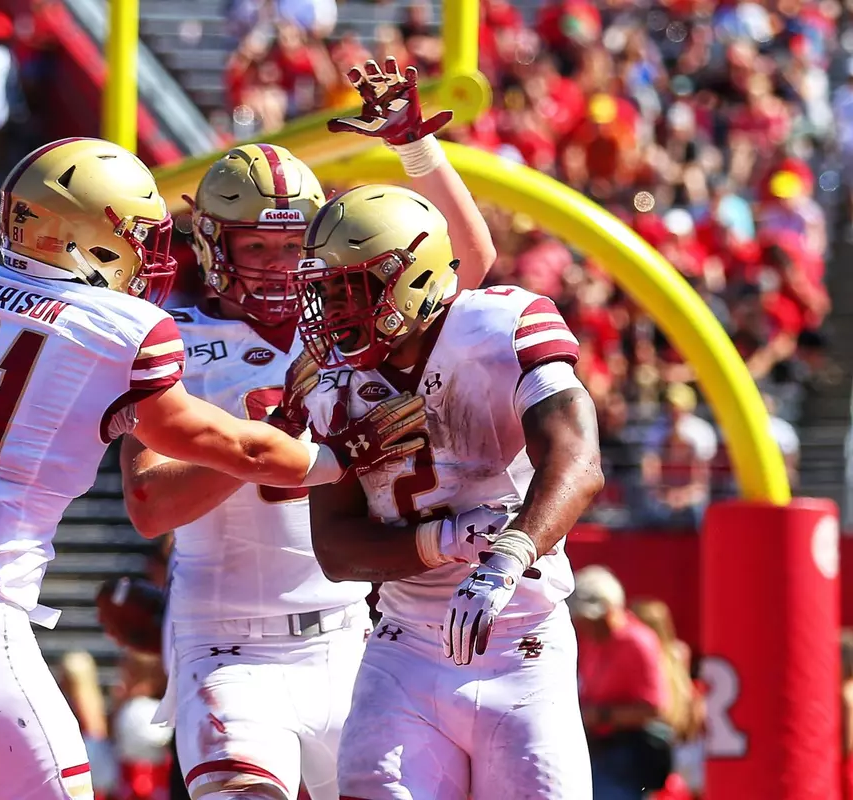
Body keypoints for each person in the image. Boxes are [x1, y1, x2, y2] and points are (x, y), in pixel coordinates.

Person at [0, 136, 423, 800]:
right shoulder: (116, 328)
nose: (148, 256)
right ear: (82, 239)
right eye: (132, 237)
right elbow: (238, 452)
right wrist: (344, 455)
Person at [119, 56, 496, 800]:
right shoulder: (168, 340)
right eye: (254, 246)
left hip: (356, 638)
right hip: (229, 645)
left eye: (291, 246)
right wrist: (262, 447)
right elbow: (148, 504)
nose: (276, 265)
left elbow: (467, 266)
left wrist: (416, 152)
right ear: (213, 247)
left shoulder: (350, 328)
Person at [285, 59, 604, 799]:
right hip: (403, 653)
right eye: (325, 290)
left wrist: (510, 552)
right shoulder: (330, 379)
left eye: (351, 289)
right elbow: (335, 549)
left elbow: (578, 460)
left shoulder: (501, 326)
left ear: (413, 280)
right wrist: (440, 544)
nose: (333, 311)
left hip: (521, 639)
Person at [571, 567, 672, 799]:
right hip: (600, 746)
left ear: (609, 610)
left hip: (629, 751)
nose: (584, 626)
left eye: (589, 619)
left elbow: (655, 707)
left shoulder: (638, 641)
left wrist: (601, 715)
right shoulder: (593, 641)